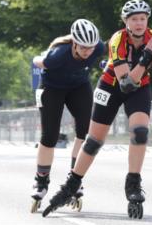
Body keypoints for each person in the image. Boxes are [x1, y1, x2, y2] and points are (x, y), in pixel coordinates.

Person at [42, 0, 152, 219]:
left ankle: (133, 183)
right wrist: (145, 59)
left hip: (139, 88)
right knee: (94, 141)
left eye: (143, 18)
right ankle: (71, 185)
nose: (139, 23)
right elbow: (126, 83)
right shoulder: (118, 40)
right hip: (113, 86)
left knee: (140, 132)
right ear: (126, 22)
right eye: (134, 19)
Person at [28, 19, 105, 213]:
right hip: (52, 88)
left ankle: (74, 179)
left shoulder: (98, 48)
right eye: (84, 47)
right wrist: (40, 57)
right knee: (49, 137)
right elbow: (39, 61)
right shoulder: (58, 55)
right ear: (74, 43)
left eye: (91, 47)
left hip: (78, 86)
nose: (88, 51)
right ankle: (41, 181)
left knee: (85, 133)